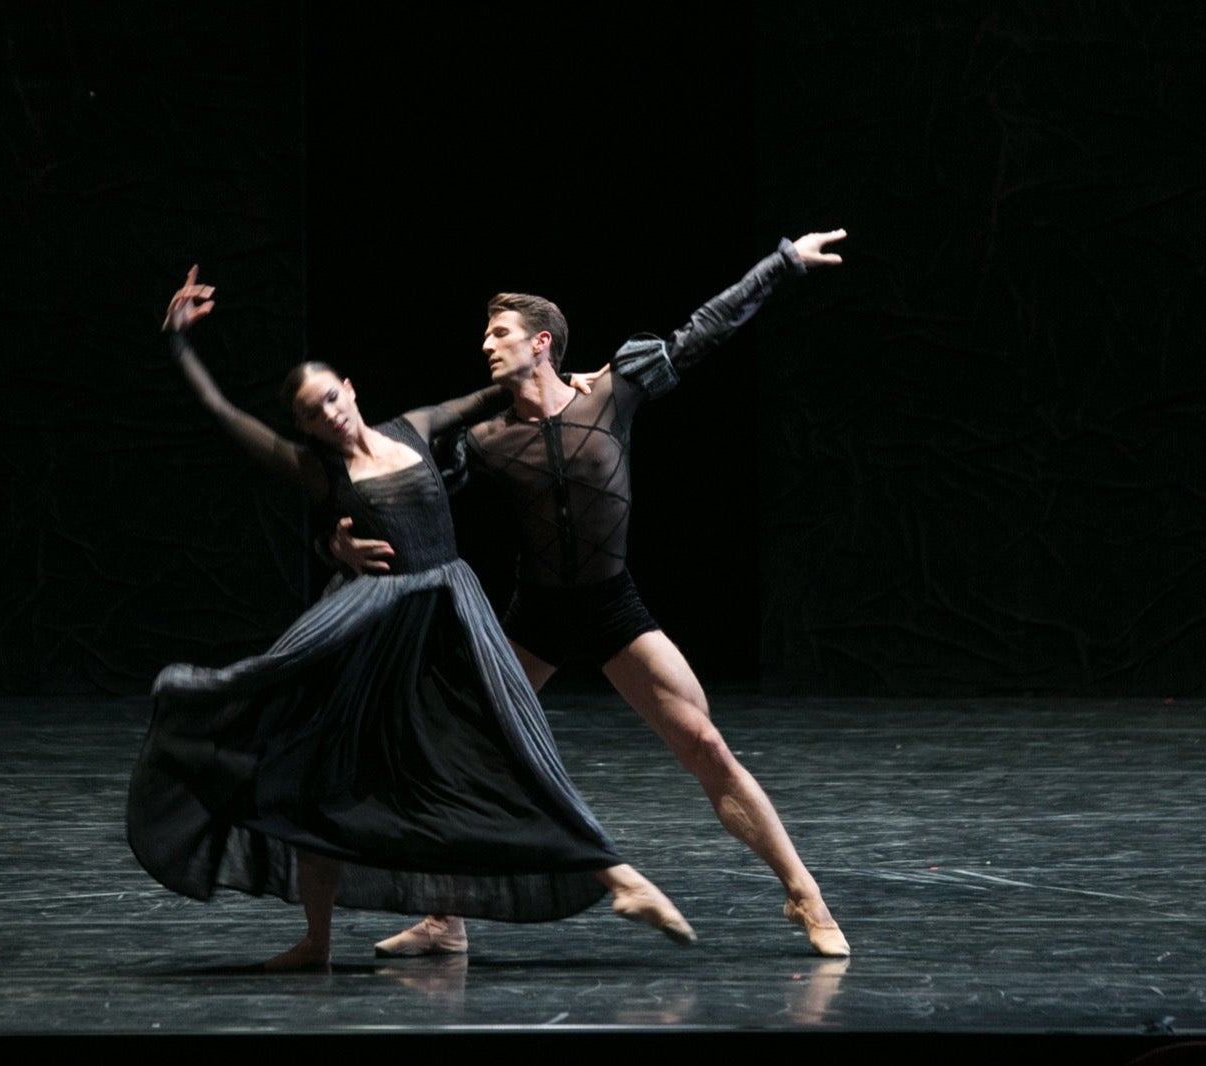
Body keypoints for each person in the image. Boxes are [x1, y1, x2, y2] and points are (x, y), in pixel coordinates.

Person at [126, 266, 697, 972]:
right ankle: (317, 941)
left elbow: (505, 386)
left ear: (351, 389)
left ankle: (621, 880)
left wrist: (577, 374)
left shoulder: (413, 428)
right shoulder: (320, 472)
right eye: (312, 412)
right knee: (315, 778)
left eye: (332, 397)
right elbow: (223, 417)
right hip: (371, 636)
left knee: (508, 755)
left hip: (452, 621)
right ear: (303, 426)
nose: (329, 414)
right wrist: (180, 345)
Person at [332, 232, 854, 958]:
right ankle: (444, 919)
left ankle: (803, 892)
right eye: (486, 332)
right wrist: (345, 539)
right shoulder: (482, 437)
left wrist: (783, 261)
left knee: (705, 742)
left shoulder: (613, 390)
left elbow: (705, 329)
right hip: (535, 614)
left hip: (612, 607)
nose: (487, 342)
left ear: (541, 342)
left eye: (501, 332)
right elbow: (405, 493)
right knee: (453, 747)